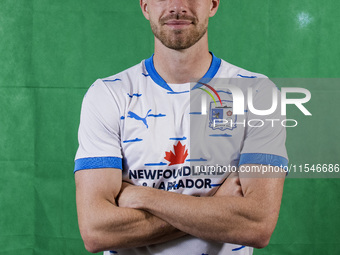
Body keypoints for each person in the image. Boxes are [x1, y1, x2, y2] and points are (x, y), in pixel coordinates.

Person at [74, 0, 288, 254]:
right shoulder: (108, 94)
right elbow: (96, 231)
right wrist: (217, 208)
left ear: (213, 4)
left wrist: (143, 196)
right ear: (144, 6)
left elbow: (257, 225)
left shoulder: (258, 94)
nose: (177, 6)